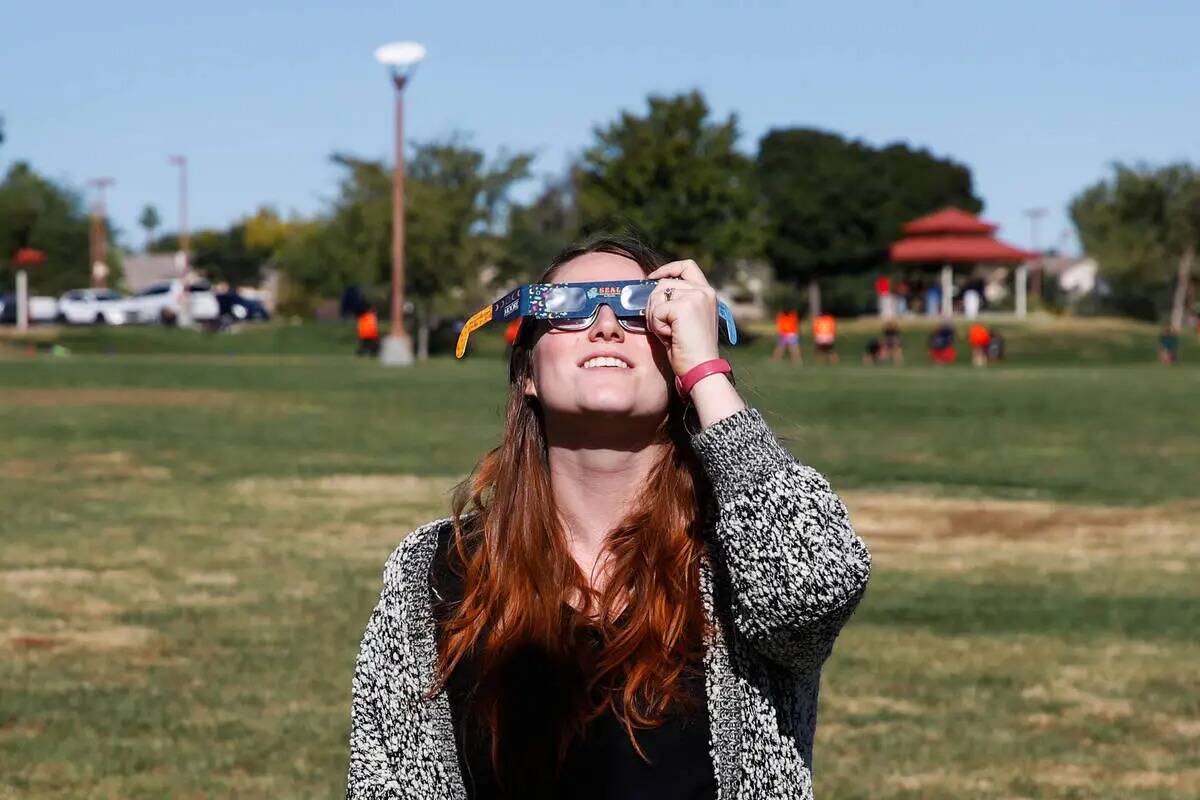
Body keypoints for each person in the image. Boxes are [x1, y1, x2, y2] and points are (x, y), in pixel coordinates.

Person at [345, 236, 872, 800]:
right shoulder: (431, 570)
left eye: (638, 307)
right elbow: (387, 782)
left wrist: (707, 373)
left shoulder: (740, 549)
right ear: (527, 374)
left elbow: (816, 586)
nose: (604, 326)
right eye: (567, 307)